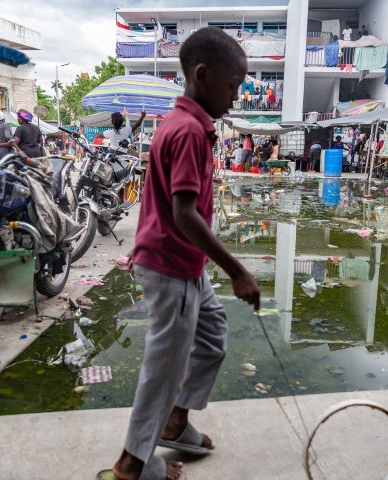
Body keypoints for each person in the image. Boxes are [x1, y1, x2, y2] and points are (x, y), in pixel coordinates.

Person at [102, 26, 260, 480]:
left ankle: (176, 420)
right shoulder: (188, 131)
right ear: (203, 74)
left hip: (182, 264)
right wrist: (237, 270)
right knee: (165, 367)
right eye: (233, 85)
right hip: (172, 264)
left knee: (211, 337)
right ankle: (132, 463)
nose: (237, 95)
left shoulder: (186, 124)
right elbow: (186, 214)